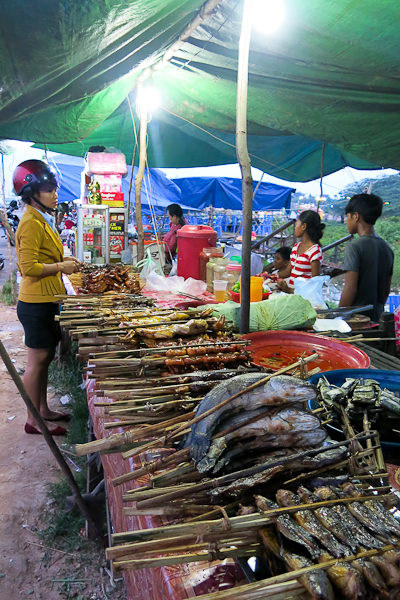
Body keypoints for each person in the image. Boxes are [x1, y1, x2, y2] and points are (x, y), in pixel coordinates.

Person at [13, 160, 80, 436]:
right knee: (36, 362)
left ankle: (42, 409)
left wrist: (62, 260)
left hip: (47, 300)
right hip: (35, 303)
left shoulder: (42, 218)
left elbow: (43, 257)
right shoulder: (30, 222)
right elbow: (28, 268)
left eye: (54, 188)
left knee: (45, 358)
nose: (54, 194)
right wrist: (61, 267)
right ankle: (33, 420)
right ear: (31, 192)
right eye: (48, 189)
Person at [339, 193, 394, 322]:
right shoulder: (387, 248)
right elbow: (386, 291)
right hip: (377, 319)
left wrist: (338, 317)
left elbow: (350, 289)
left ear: (356, 216)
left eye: (348, 217)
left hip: (356, 321)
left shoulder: (355, 246)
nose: (347, 222)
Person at [278, 210, 325, 293]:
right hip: (291, 296)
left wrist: (289, 290)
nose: (295, 227)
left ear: (303, 226)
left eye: (297, 224)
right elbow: (287, 272)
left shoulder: (315, 252)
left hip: (302, 299)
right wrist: (270, 276)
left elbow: (314, 285)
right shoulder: (296, 247)